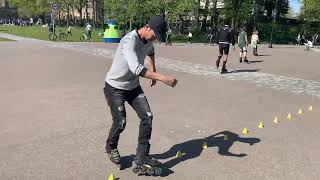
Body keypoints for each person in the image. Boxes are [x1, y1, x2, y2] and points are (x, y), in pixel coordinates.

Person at [104, 16, 178, 172]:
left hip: (133, 87)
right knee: (121, 121)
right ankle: (111, 147)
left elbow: (151, 51)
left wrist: (154, 69)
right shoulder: (128, 41)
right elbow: (136, 69)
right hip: (114, 86)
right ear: (147, 27)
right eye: (154, 35)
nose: (155, 39)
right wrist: (162, 78)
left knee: (148, 116)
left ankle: (142, 155)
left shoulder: (148, 40)